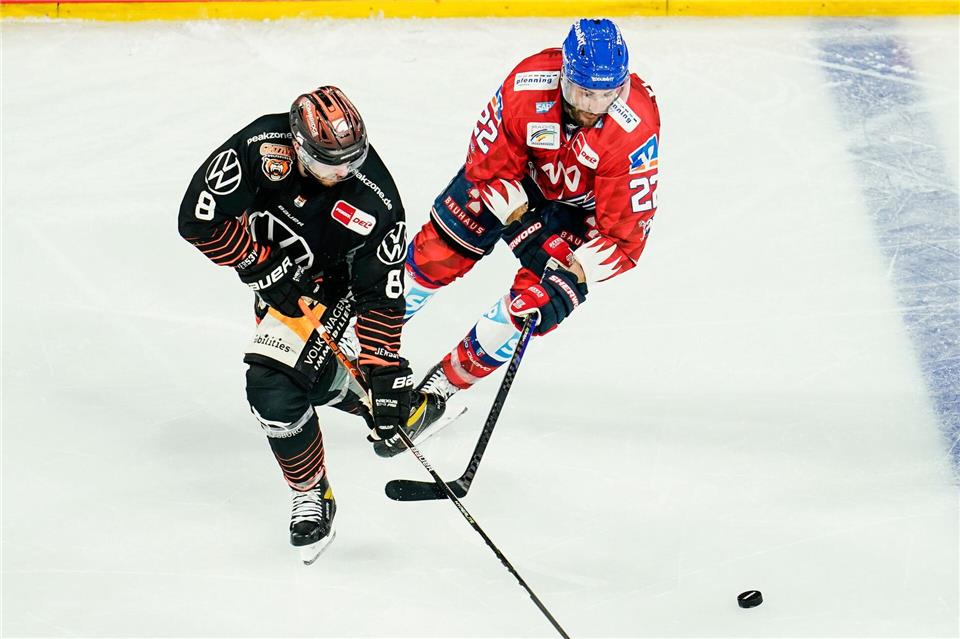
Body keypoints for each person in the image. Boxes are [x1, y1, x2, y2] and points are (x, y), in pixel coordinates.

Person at [393, 18, 662, 451]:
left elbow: (623, 239)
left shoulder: (634, 131)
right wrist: (523, 228)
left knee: (534, 304)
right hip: (516, 184)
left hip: (579, 217)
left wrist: (574, 273)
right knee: (440, 250)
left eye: (606, 94)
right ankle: (369, 333)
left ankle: (440, 389)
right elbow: (488, 169)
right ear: (563, 76)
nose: (593, 106)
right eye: (582, 93)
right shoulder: (526, 86)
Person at [178, 86, 415, 563]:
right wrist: (255, 262)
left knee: (272, 386)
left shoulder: (377, 200)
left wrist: (384, 367)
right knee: (292, 377)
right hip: (276, 271)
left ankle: (311, 492)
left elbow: (381, 290)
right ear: (298, 146)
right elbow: (196, 219)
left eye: (352, 159)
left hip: (335, 285)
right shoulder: (259, 149)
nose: (343, 172)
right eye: (330, 162)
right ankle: (378, 405)